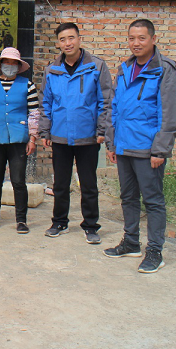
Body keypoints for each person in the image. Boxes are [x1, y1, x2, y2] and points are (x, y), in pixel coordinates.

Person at [104, 19, 176, 273]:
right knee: (128, 197)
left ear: (153, 39)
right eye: (131, 38)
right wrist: (112, 142)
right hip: (124, 146)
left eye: (141, 38)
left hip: (148, 149)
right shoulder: (125, 69)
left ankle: (155, 251)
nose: (136, 43)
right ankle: (131, 242)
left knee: (153, 201)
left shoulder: (165, 71)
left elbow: (170, 114)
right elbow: (114, 107)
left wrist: (160, 149)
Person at [39, 22, 113, 244]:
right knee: (60, 184)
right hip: (60, 135)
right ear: (58, 43)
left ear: (79, 39)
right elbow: (46, 103)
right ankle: (59, 222)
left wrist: (102, 129)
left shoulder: (96, 67)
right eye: (62, 39)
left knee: (88, 184)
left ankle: (90, 225)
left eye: (71, 38)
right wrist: (45, 130)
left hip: (87, 136)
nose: (67, 43)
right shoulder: (52, 70)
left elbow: (106, 101)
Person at [0, 47, 39, 234]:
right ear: (0, 65)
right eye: (7, 62)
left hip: (18, 138)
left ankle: (21, 220)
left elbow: (34, 113)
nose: (10, 66)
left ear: (19, 66)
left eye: (14, 63)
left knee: (18, 181)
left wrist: (33, 138)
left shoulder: (27, 85)